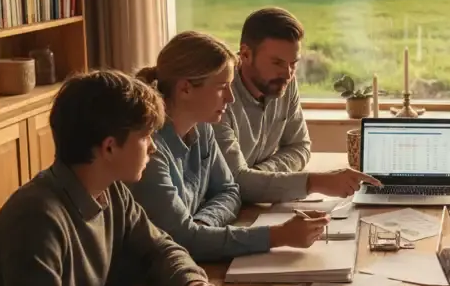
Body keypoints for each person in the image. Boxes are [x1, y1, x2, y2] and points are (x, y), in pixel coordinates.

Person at [0, 70, 237, 286]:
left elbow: (159, 247)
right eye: (145, 137)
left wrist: (191, 281)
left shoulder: (112, 192)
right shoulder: (36, 219)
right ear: (109, 147)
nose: (153, 147)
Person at [131, 31, 330, 262]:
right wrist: (277, 236)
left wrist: (204, 223)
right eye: (221, 87)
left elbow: (230, 190)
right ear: (185, 88)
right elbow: (183, 240)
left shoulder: (202, 128)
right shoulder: (148, 151)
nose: (230, 98)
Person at [213, 7, 381, 203]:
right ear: (245, 54)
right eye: (277, 63)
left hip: (253, 205)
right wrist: (314, 182)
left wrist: (260, 175)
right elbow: (234, 181)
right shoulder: (218, 96)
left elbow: (300, 147)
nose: (288, 74)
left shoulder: (283, 81)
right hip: (222, 206)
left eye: (293, 63)